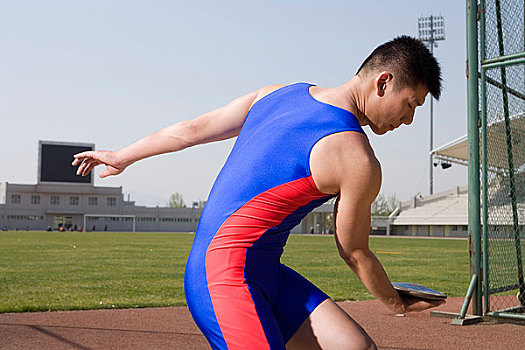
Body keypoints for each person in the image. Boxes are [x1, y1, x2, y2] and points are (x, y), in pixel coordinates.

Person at [72, 36, 443, 350]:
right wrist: (396, 302)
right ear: (383, 82)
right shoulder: (357, 158)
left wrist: (121, 156)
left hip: (266, 273)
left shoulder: (276, 93)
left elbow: (190, 130)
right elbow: (354, 251)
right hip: (223, 279)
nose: (407, 120)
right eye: (410, 104)